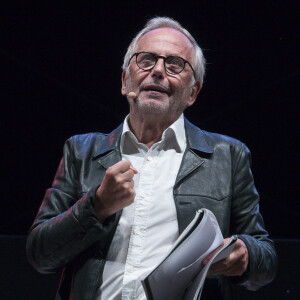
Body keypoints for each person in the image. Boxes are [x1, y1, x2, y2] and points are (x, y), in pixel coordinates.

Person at [26, 17, 277, 300]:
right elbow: (39, 255)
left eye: (174, 64)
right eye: (145, 60)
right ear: (125, 81)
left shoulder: (228, 156)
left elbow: (265, 258)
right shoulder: (81, 151)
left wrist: (246, 254)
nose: (157, 71)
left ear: (193, 92)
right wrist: (96, 206)